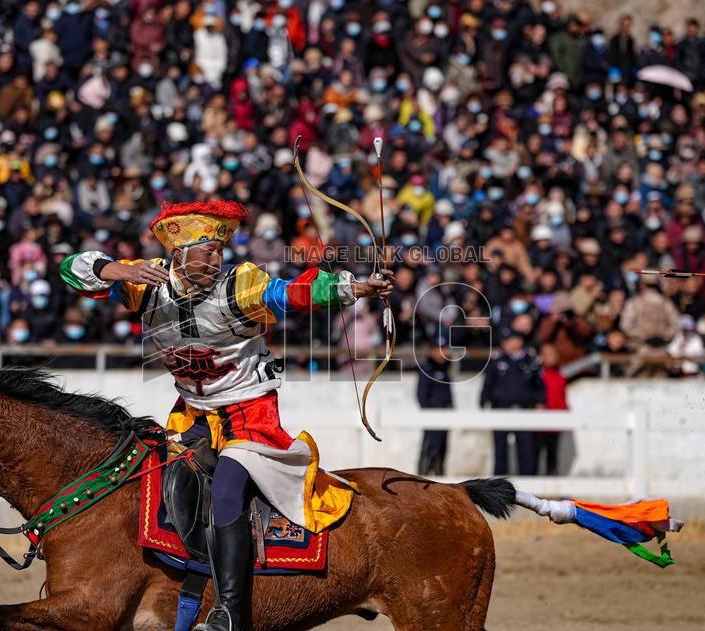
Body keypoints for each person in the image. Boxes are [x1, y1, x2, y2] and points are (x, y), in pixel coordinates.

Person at [59, 200, 393, 631]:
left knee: (227, 491)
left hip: (250, 417)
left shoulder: (239, 285)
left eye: (220, 251)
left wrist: (355, 288)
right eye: (208, 251)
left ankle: (230, 615)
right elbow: (70, 269)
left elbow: (293, 292)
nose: (217, 259)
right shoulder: (146, 283)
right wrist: (118, 271)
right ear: (179, 254)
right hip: (190, 418)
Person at [480, 331, 545, 476]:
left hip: (525, 411)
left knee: (526, 448)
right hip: (501, 409)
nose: (505, 343)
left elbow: (539, 386)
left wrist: (540, 402)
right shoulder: (497, 360)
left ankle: (528, 482)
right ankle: (499, 483)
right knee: (500, 449)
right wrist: (483, 401)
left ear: (519, 341)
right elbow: (488, 383)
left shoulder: (531, 361)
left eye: (509, 340)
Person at [416, 341, 454, 476]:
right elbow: (422, 396)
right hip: (433, 416)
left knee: (441, 449)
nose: (445, 353)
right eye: (440, 349)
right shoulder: (427, 369)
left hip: (445, 416)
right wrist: (431, 414)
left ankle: (439, 476)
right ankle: (423, 476)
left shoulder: (445, 369)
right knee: (430, 448)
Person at [538, 343, 567, 475]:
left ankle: (552, 482)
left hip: (555, 424)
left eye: (554, 354)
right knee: (536, 456)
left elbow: (562, 398)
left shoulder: (560, 376)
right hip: (538, 424)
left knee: (553, 456)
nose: (553, 357)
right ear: (541, 357)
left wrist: (564, 415)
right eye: (549, 354)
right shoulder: (537, 375)